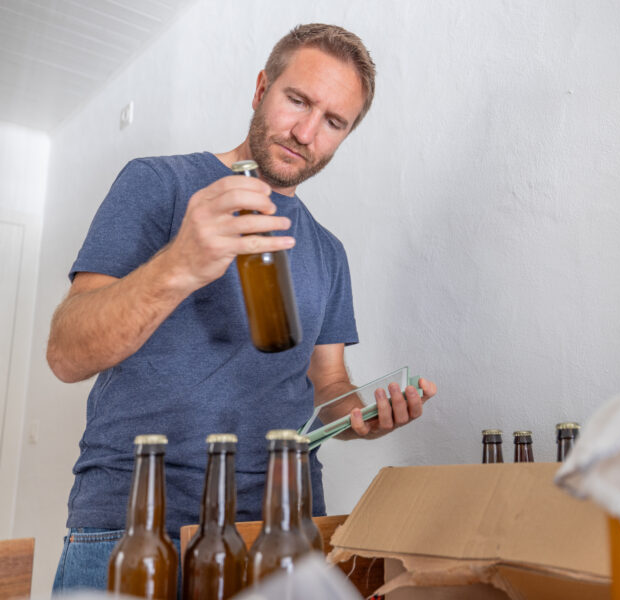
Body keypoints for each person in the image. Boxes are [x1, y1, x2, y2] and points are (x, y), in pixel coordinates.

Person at [47, 23, 436, 592]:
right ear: (261, 89)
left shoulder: (328, 251)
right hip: (135, 529)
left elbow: (327, 387)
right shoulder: (159, 184)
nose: (305, 132)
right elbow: (66, 353)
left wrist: (363, 416)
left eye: (333, 122)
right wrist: (180, 261)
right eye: (297, 100)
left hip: (283, 534)